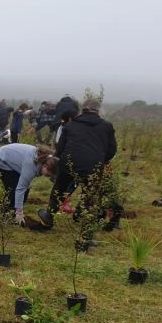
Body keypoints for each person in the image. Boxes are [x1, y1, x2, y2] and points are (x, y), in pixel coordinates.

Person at [40, 97, 117, 227]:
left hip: (69, 163)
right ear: (98, 111)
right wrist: (100, 160)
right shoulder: (106, 126)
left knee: (59, 189)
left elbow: (60, 149)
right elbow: (111, 150)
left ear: (82, 110)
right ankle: (85, 226)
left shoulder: (70, 125)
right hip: (93, 166)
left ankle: (49, 216)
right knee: (90, 195)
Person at [0, 143, 58, 224]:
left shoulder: (47, 158)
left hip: (12, 158)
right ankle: (6, 215)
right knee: (13, 189)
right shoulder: (31, 165)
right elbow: (20, 189)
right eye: (48, 174)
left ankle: (16, 209)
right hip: (1, 159)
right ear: (44, 165)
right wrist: (19, 213)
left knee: (25, 189)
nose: (48, 176)